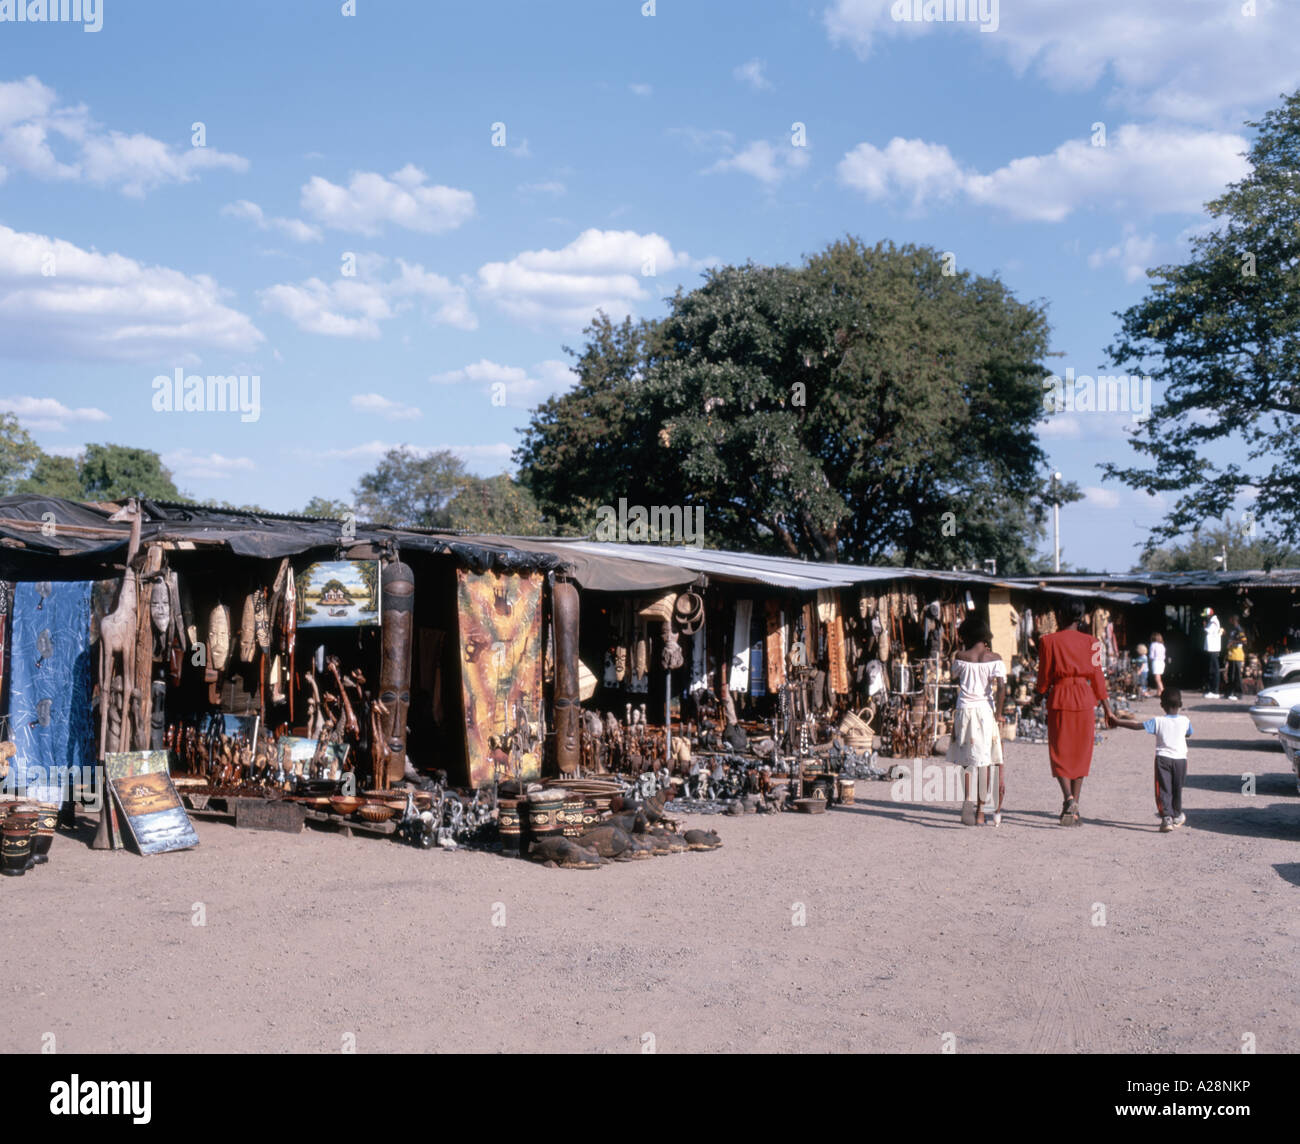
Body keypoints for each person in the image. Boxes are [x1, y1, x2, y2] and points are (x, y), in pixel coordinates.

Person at [1036, 599, 1118, 826]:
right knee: (1081, 752)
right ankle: (1074, 809)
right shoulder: (1092, 643)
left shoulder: (1048, 642)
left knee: (1059, 750)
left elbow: (1044, 677)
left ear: (1061, 615)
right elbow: (1098, 678)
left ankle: (1068, 799)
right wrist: (1108, 710)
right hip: (1084, 699)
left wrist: (1039, 693)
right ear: (1081, 617)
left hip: (1060, 697)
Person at [946, 616, 1007, 826]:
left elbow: (953, 675)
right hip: (985, 712)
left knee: (966, 761)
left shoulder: (961, 656)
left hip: (964, 711)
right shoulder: (995, 658)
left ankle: (967, 800)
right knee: (985, 763)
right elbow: (1002, 688)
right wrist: (998, 713)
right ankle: (981, 811)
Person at [1111, 688, 1193, 832]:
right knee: (1177, 788)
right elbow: (1188, 734)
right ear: (1180, 704)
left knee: (1163, 788)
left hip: (1163, 759)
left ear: (1162, 705)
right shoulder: (1185, 721)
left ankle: (1166, 817)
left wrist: (1118, 722)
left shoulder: (1158, 721)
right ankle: (1177, 814)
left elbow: (1137, 726)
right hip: (1181, 760)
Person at [1224, 616, 1246, 701]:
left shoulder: (1239, 629)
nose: (1229, 620)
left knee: (1237, 675)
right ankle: (1229, 693)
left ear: (1234, 620)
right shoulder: (1232, 629)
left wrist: (1233, 642)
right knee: (1230, 675)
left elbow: (1244, 641)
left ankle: (1239, 693)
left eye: (1231, 619)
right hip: (1231, 655)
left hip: (1237, 655)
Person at [1202, 607, 1222, 698]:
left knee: (1214, 670)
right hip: (1211, 649)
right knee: (1211, 670)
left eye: (1206, 616)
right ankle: (1212, 690)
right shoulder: (1212, 621)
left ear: (1210, 615)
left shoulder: (1213, 622)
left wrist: (1204, 626)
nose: (1205, 618)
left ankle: (1215, 691)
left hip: (1213, 649)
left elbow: (1207, 631)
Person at [1148, 632, 1167, 698]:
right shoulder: (1162, 645)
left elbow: (1151, 656)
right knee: (1159, 677)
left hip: (1156, 662)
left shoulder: (1153, 645)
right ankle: (1158, 692)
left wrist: (1149, 660)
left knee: (1157, 679)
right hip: (1162, 662)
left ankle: (1163, 692)